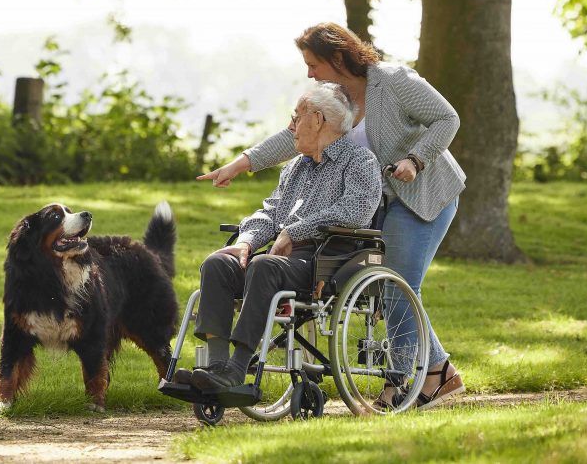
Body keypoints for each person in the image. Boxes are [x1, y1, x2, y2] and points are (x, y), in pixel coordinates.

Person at [198, 22, 467, 409]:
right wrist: (240, 165)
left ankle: (402, 381)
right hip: (379, 198)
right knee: (386, 287)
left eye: (313, 64)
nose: (308, 73)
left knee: (395, 286)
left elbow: (448, 119)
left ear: (337, 57)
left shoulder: (391, 81)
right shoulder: (332, 98)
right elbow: (293, 135)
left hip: (422, 192)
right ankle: (439, 370)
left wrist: (416, 158)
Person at [178, 82, 382, 391]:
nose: (291, 126)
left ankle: (236, 369)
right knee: (217, 264)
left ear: (317, 119)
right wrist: (245, 242)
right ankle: (215, 367)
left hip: (324, 259)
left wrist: (295, 230)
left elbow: (355, 210)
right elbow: (271, 212)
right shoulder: (295, 168)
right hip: (281, 258)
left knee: (263, 267)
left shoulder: (360, 161)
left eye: (296, 117)